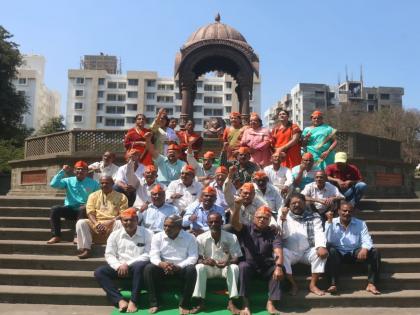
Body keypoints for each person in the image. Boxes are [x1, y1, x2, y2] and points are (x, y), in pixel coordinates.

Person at [94, 208, 153, 313]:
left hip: (138, 268)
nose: (128, 222)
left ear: (137, 220)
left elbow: (149, 254)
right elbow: (109, 254)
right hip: (120, 268)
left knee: (139, 266)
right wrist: (118, 266)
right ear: (121, 221)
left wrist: (127, 264)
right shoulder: (114, 235)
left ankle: (134, 300)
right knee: (99, 272)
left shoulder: (148, 233)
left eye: (131, 220)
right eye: (125, 220)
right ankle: (120, 300)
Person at [231, 200, 284, 315]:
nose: (262, 220)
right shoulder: (246, 229)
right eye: (259, 217)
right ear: (254, 217)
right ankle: (245, 304)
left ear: (269, 220)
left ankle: (270, 303)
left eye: (265, 218)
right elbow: (234, 223)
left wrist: (279, 266)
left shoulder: (274, 233)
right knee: (243, 266)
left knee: (279, 268)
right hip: (249, 266)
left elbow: (278, 251)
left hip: (265, 266)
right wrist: (237, 207)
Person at [144, 215, 198, 314]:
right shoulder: (157, 236)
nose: (166, 228)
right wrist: (161, 264)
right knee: (149, 268)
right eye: (165, 225)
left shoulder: (190, 237)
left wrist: (179, 266)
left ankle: (184, 304)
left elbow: (193, 257)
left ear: (179, 227)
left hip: (181, 268)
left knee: (191, 270)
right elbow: (153, 255)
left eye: (170, 226)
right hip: (163, 268)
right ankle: (155, 303)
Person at [325, 201, 381, 295]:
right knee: (331, 251)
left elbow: (367, 239)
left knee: (375, 252)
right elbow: (328, 240)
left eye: (349, 211)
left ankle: (371, 283)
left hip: (355, 252)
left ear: (353, 212)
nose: (347, 213)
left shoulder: (360, 223)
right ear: (338, 211)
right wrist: (329, 222)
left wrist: (364, 249)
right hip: (338, 252)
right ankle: (333, 284)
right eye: (344, 211)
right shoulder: (331, 222)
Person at [278, 193, 328, 296]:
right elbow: (282, 234)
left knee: (322, 254)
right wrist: (283, 217)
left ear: (305, 204)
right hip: (290, 252)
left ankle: (313, 285)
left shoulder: (314, 216)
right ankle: (293, 284)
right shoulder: (283, 215)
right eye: (293, 203)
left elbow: (319, 232)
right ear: (288, 205)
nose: (297, 205)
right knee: (280, 253)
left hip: (307, 251)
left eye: (299, 203)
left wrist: (321, 246)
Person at [192, 212, 243, 314]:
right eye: (211, 222)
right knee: (199, 267)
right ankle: (200, 302)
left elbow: (236, 258)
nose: (214, 224)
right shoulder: (200, 238)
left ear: (222, 222)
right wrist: (205, 261)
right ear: (207, 223)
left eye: (216, 221)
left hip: (225, 268)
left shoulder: (232, 237)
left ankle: (232, 302)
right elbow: (198, 259)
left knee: (234, 267)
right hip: (209, 269)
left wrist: (227, 262)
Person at [76, 175, 128, 259]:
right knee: (81, 222)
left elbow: (122, 214)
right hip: (96, 224)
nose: (104, 185)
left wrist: (110, 222)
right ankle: (86, 249)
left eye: (107, 183)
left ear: (112, 184)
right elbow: (90, 212)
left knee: (120, 222)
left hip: (112, 224)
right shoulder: (93, 195)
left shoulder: (121, 196)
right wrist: (97, 224)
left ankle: (116, 250)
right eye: (102, 183)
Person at [47, 161, 99, 244]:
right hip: (70, 209)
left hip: (85, 211)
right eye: (78, 169)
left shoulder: (94, 183)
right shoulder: (68, 180)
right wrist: (62, 171)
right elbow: (53, 184)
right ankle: (56, 236)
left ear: (87, 171)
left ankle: (77, 236)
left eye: (83, 169)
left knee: (83, 208)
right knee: (54, 209)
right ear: (74, 171)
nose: (80, 171)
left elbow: (98, 197)